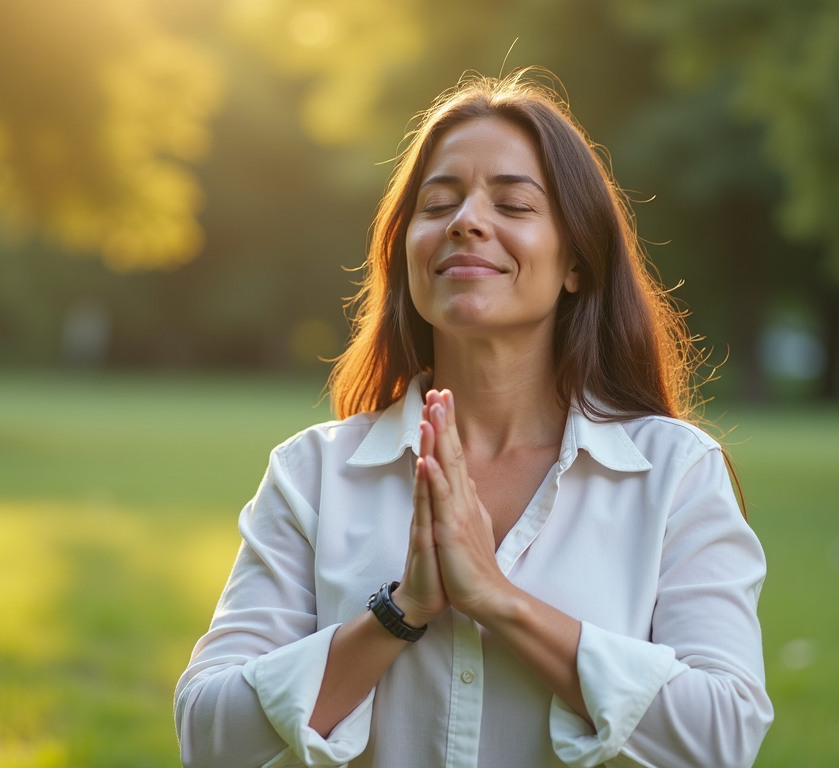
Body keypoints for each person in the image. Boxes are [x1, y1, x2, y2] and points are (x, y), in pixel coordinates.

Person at [174, 70, 771, 768]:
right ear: (408, 251)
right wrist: (400, 611)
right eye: (439, 203)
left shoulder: (676, 474)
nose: (465, 221)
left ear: (576, 260)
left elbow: (722, 738)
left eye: (513, 204)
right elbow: (209, 737)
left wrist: (499, 600)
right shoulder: (313, 475)